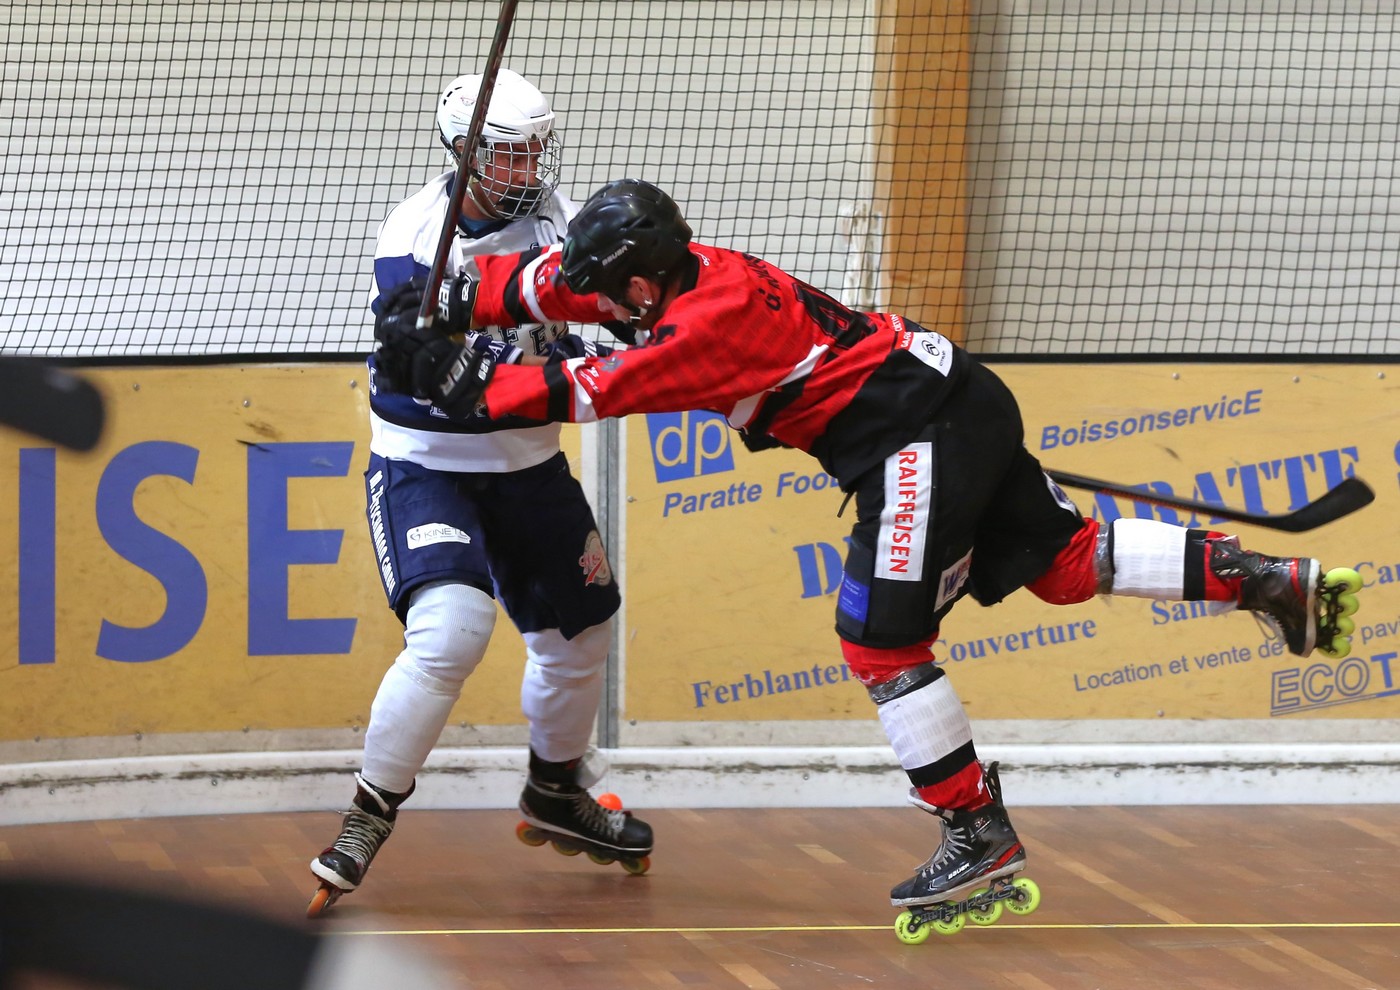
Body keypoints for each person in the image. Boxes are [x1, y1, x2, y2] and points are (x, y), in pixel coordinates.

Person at [370, 178, 1362, 921]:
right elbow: (555, 286)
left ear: (642, 279)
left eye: (609, 290)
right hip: (952, 397)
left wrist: (452, 378)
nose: (594, 298)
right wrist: (447, 299)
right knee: (1063, 567)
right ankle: (1264, 580)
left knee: (879, 643)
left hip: (908, 439)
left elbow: (576, 392)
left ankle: (974, 831)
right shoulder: (686, 265)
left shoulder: (702, 327)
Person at [307, 76, 651, 917]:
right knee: (451, 631)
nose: (529, 169)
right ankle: (368, 814)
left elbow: (616, 317)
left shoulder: (564, 222)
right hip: (427, 463)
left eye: (536, 150)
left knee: (583, 634)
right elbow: (423, 365)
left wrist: (640, 311)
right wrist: (544, 364)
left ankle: (555, 790)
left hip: (529, 464)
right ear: (463, 151)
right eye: (509, 154)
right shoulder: (413, 234)